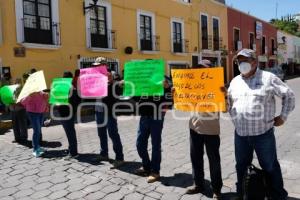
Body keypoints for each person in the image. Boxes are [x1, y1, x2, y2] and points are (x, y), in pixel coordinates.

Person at [227, 49, 295, 200]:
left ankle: (277, 195)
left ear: (255, 62)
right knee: (241, 167)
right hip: (241, 135)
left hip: (263, 134)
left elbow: (289, 95)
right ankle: (243, 194)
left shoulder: (268, 78)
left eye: (245, 60)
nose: (242, 64)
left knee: (270, 166)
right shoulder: (235, 81)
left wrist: (283, 117)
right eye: (239, 61)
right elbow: (229, 104)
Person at [184, 60, 222, 199]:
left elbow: (224, 108)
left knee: (214, 161)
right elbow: (183, 104)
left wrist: (223, 94)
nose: (201, 71)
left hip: (211, 129)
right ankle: (198, 184)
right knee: (195, 158)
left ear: (211, 70)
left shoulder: (217, 86)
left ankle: (217, 189)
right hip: (194, 127)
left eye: (204, 68)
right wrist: (177, 93)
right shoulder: (192, 85)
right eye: (199, 68)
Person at [134, 76, 173, 183]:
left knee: (155, 144)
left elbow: (170, 100)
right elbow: (136, 98)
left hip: (157, 117)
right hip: (144, 116)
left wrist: (167, 87)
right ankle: (146, 167)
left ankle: (155, 171)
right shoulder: (143, 81)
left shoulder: (163, 79)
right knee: (139, 143)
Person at [94, 58, 125, 168]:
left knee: (113, 134)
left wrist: (112, 82)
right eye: (96, 65)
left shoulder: (113, 74)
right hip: (98, 109)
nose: (97, 67)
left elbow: (119, 90)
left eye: (99, 65)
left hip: (110, 110)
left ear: (105, 65)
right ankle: (104, 154)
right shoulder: (95, 76)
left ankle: (119, 158)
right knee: (101, 133)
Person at [56, 71, 79, 158]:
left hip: (67, 114)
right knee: (70, 132)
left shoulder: (71, 88)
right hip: (65, 113)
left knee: (70, 133)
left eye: (65, 77)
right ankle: (72, 149)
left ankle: (73, 152)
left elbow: (75, 102)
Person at [21, 91, 49, 157]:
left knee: (38, 131)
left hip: (41, 112)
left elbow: (44, 100)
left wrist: (46, 98)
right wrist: (30, 96)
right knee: (36, 131)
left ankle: (38, 146)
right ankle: (35, 149)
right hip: (32, 113)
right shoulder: (29, 91)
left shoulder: (41, 92)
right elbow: (23, 102)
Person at [9, 78, 28, 144]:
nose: (16, 82)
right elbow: (9, 97)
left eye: (18, 81)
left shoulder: (23, 90)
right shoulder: (12, 89)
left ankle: (24, 137)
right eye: (15, 81)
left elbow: (24, 99)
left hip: (20, 109)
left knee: (22, 124)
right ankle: (17, 138)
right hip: (13, 109)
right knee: (15, 124)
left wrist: (19, 103)